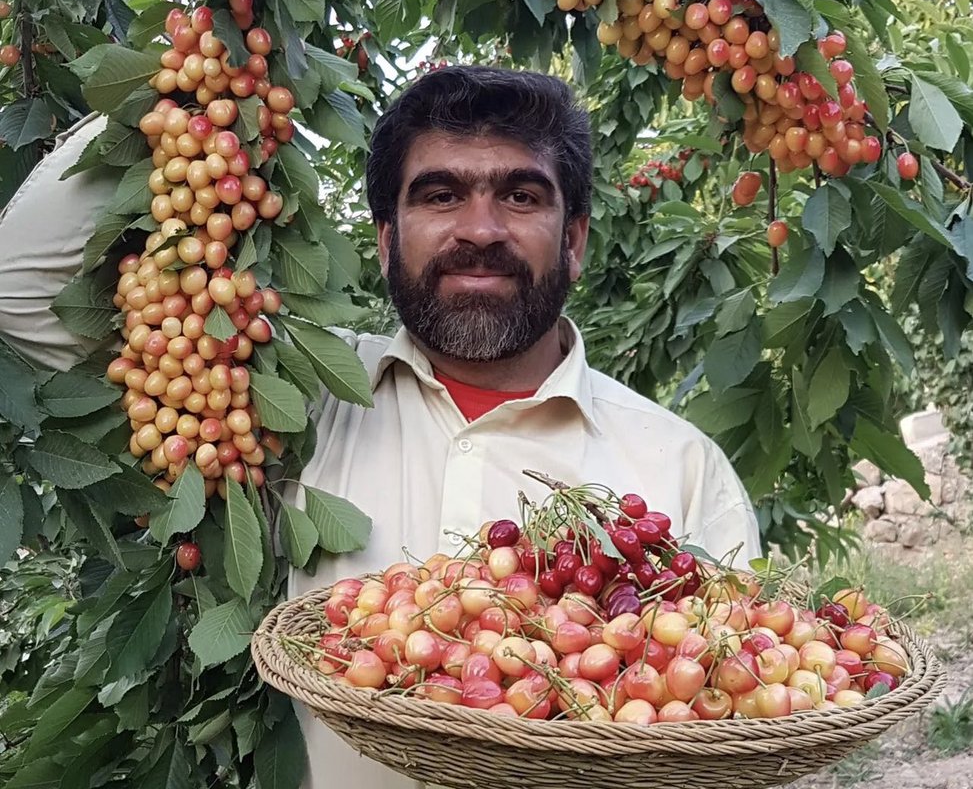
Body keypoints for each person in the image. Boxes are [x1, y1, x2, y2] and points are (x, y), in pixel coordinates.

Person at [0, 66, 760, 789]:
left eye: (522, 197)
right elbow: (19, 288)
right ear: (387, 238)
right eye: (439, 195)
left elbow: (733, 716)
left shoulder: (677, 467)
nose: (480, 229)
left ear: (576, 241)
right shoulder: (277, 397)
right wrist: (192, 75)